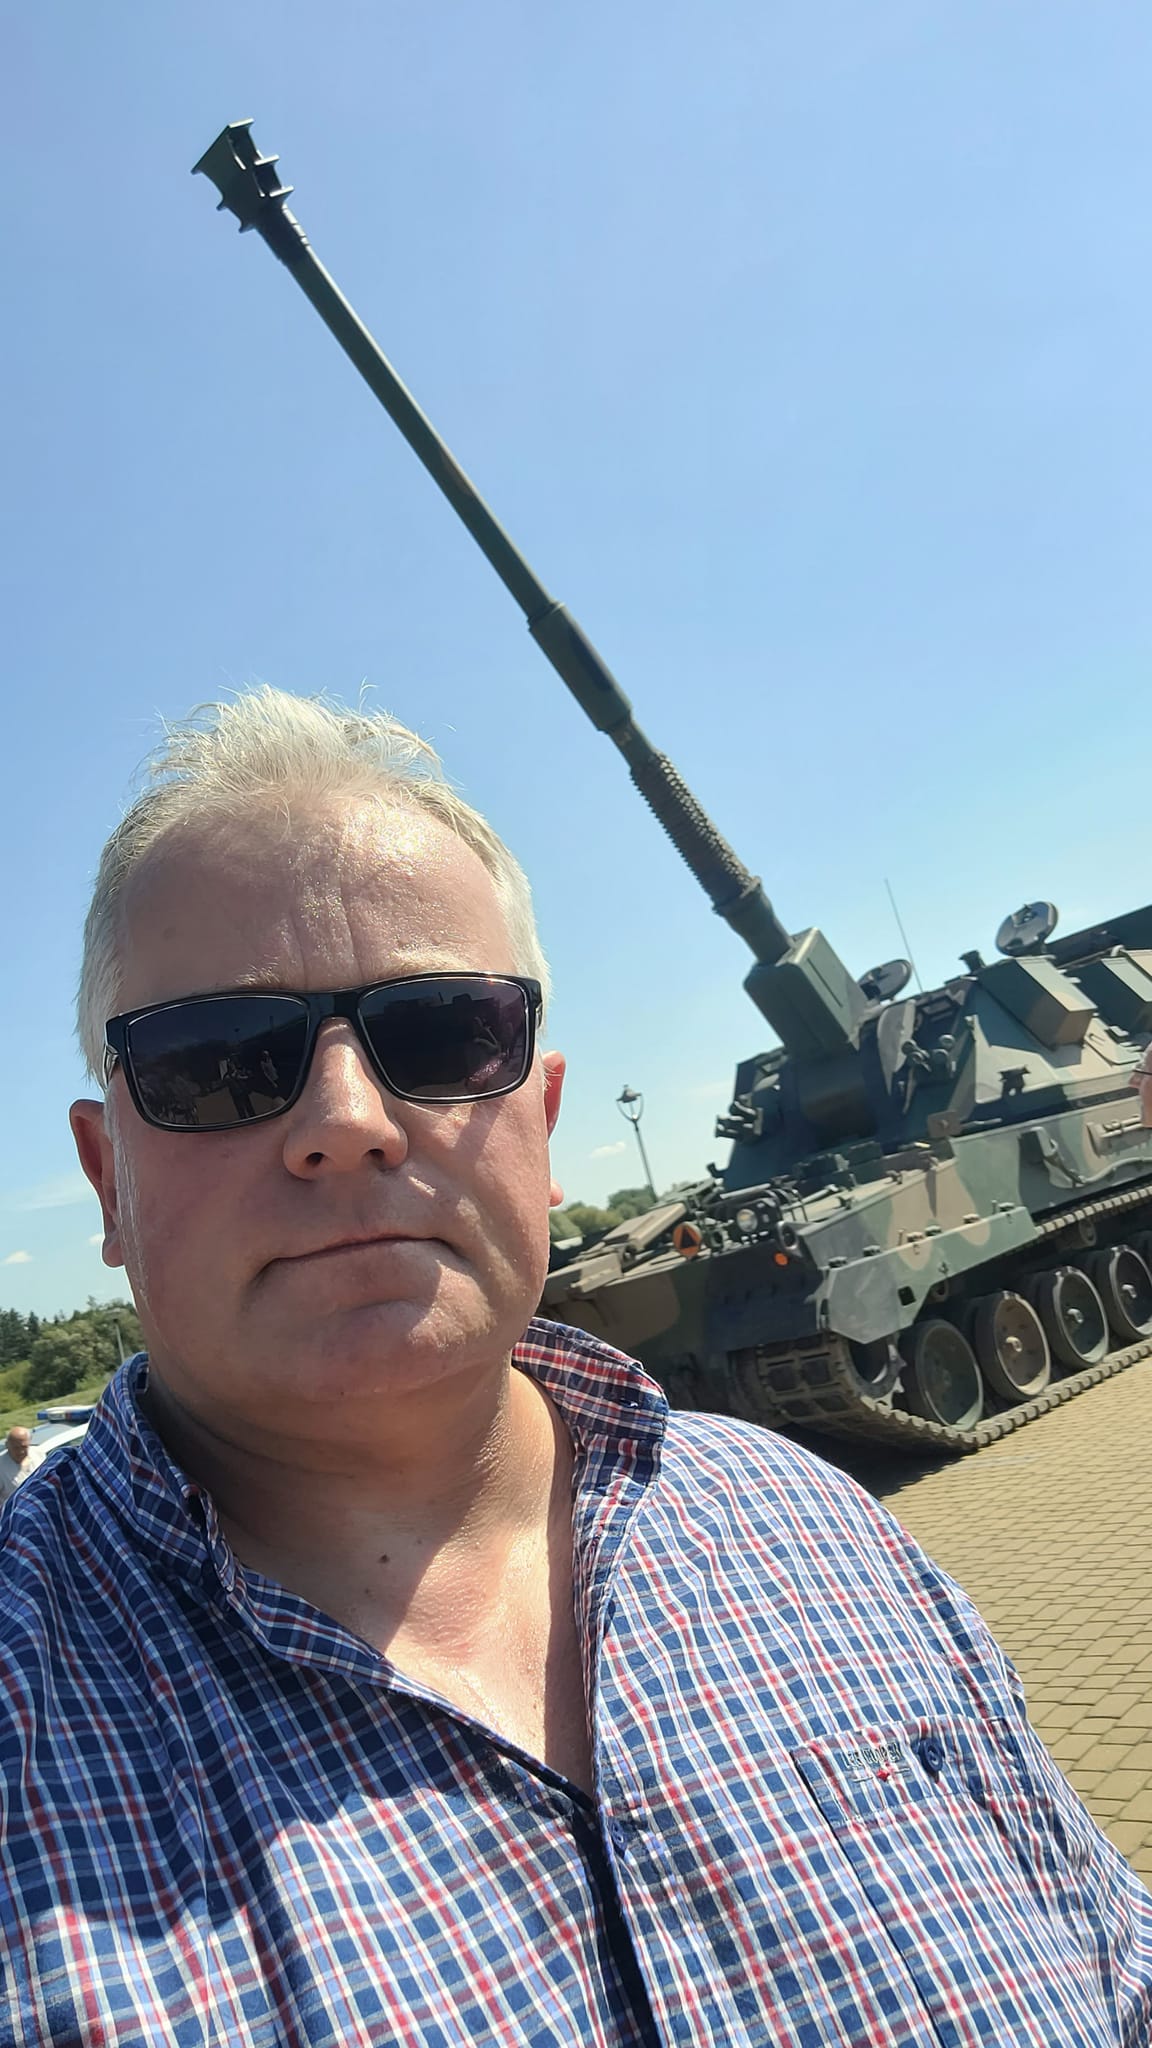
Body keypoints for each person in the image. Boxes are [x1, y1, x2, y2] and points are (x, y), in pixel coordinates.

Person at [1, 686, 1149, 2048]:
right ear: (107, 1180)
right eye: (216, 1061)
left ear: (541, 1124)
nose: (348, 1121)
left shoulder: (816, 1527)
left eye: (444, 1033)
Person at [0, 1424, 44, 1505]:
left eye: (24, 1447)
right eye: (16, 1448)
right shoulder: (1, 1467)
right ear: (7, 1445)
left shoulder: (39, 1455)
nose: (21, 1452)